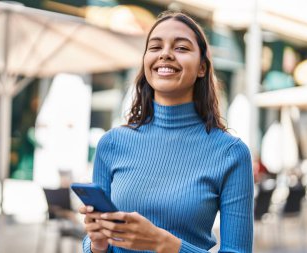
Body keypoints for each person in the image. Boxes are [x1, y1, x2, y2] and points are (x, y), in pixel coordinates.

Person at [79, 10, 254, 253]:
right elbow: (98, 245)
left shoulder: (231, 154)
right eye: (155, 47)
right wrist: (96, 244)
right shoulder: (111, 144)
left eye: (181, 48)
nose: (165, 54)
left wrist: (164, 244)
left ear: (202, 67)